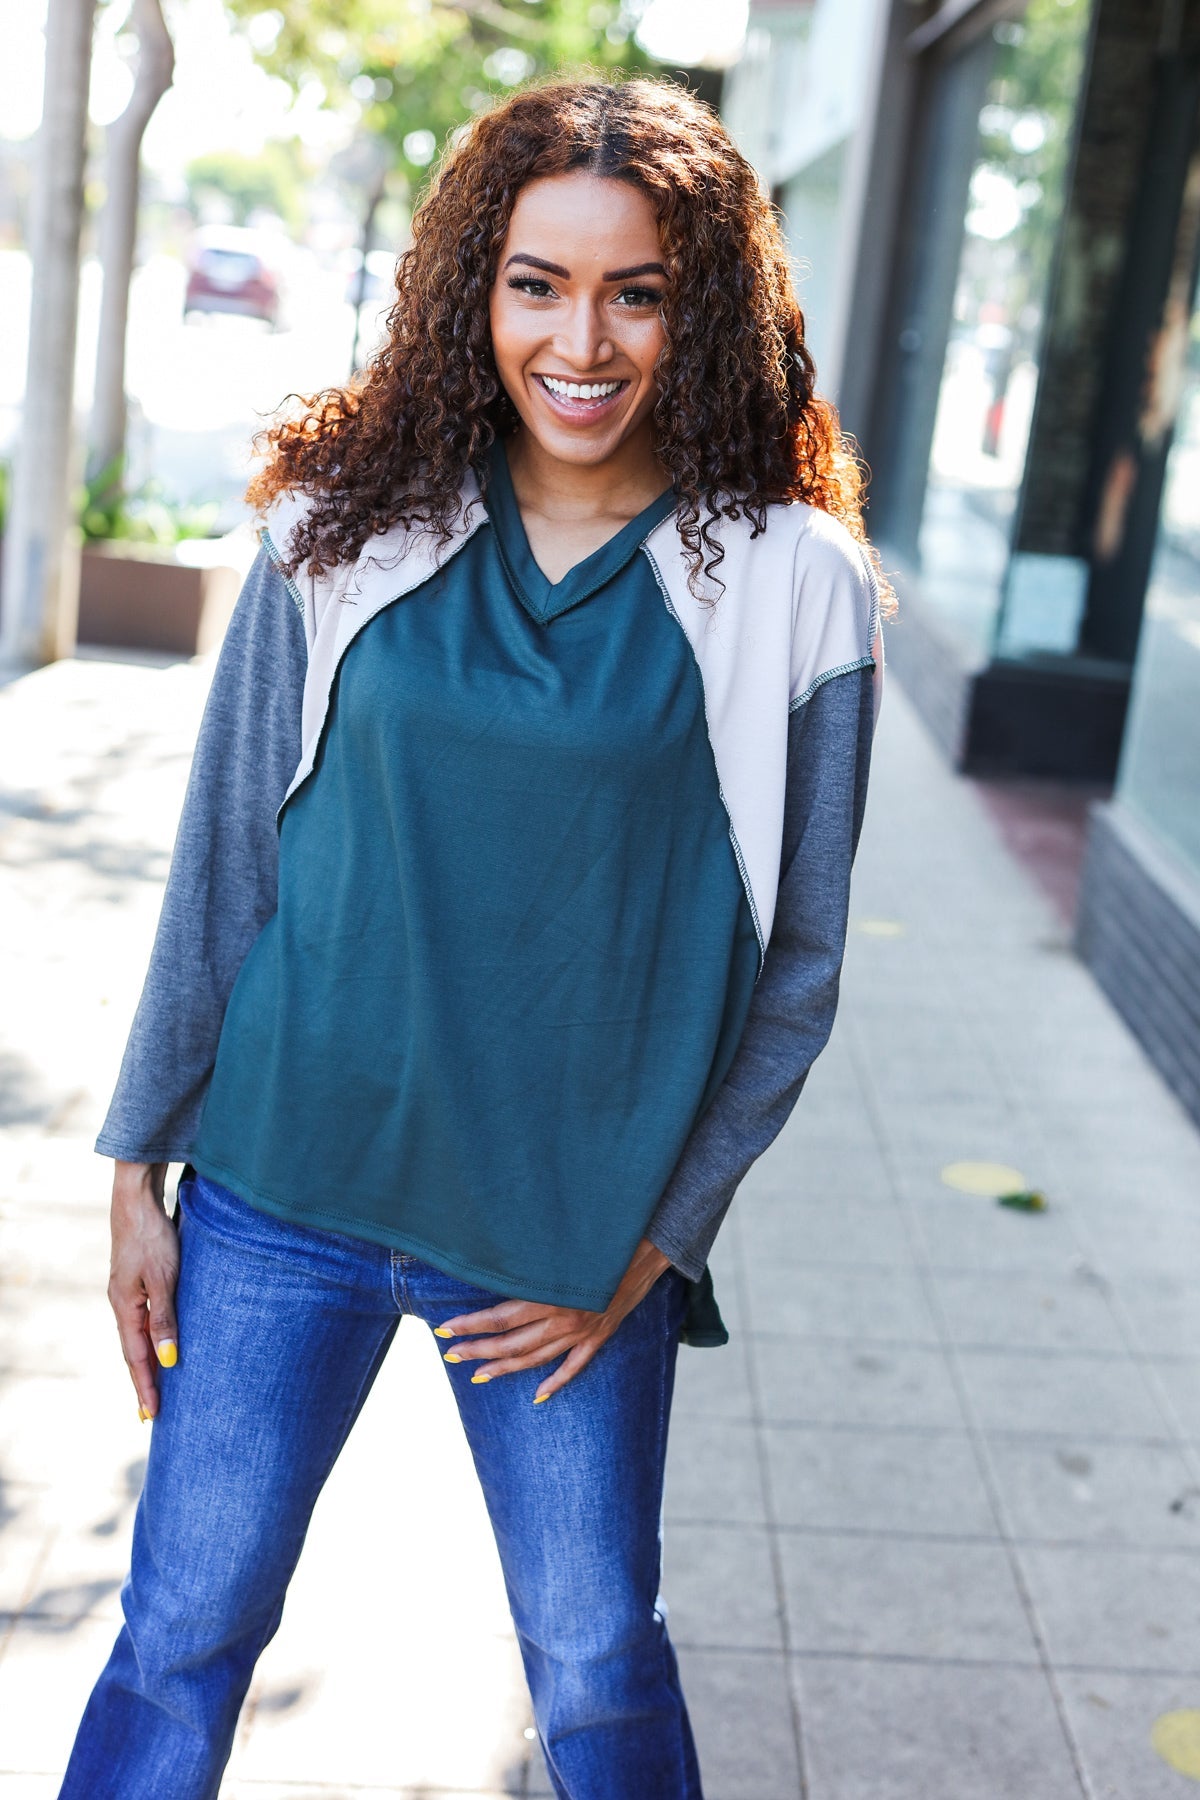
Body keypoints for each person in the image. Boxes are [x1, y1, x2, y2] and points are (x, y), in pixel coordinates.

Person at [60, 74, 888, 1800]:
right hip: (281, 1194)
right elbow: (227, 868)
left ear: (702, 305)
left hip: (563, 1254)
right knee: (177, 1641)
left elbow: (798, 968)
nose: (581, 339)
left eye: (636, 289)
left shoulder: (790, 585)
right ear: (474, 290)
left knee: (596, 1673)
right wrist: (142, 1161)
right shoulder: (338, 528)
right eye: (537, 282)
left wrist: (658, 1244)